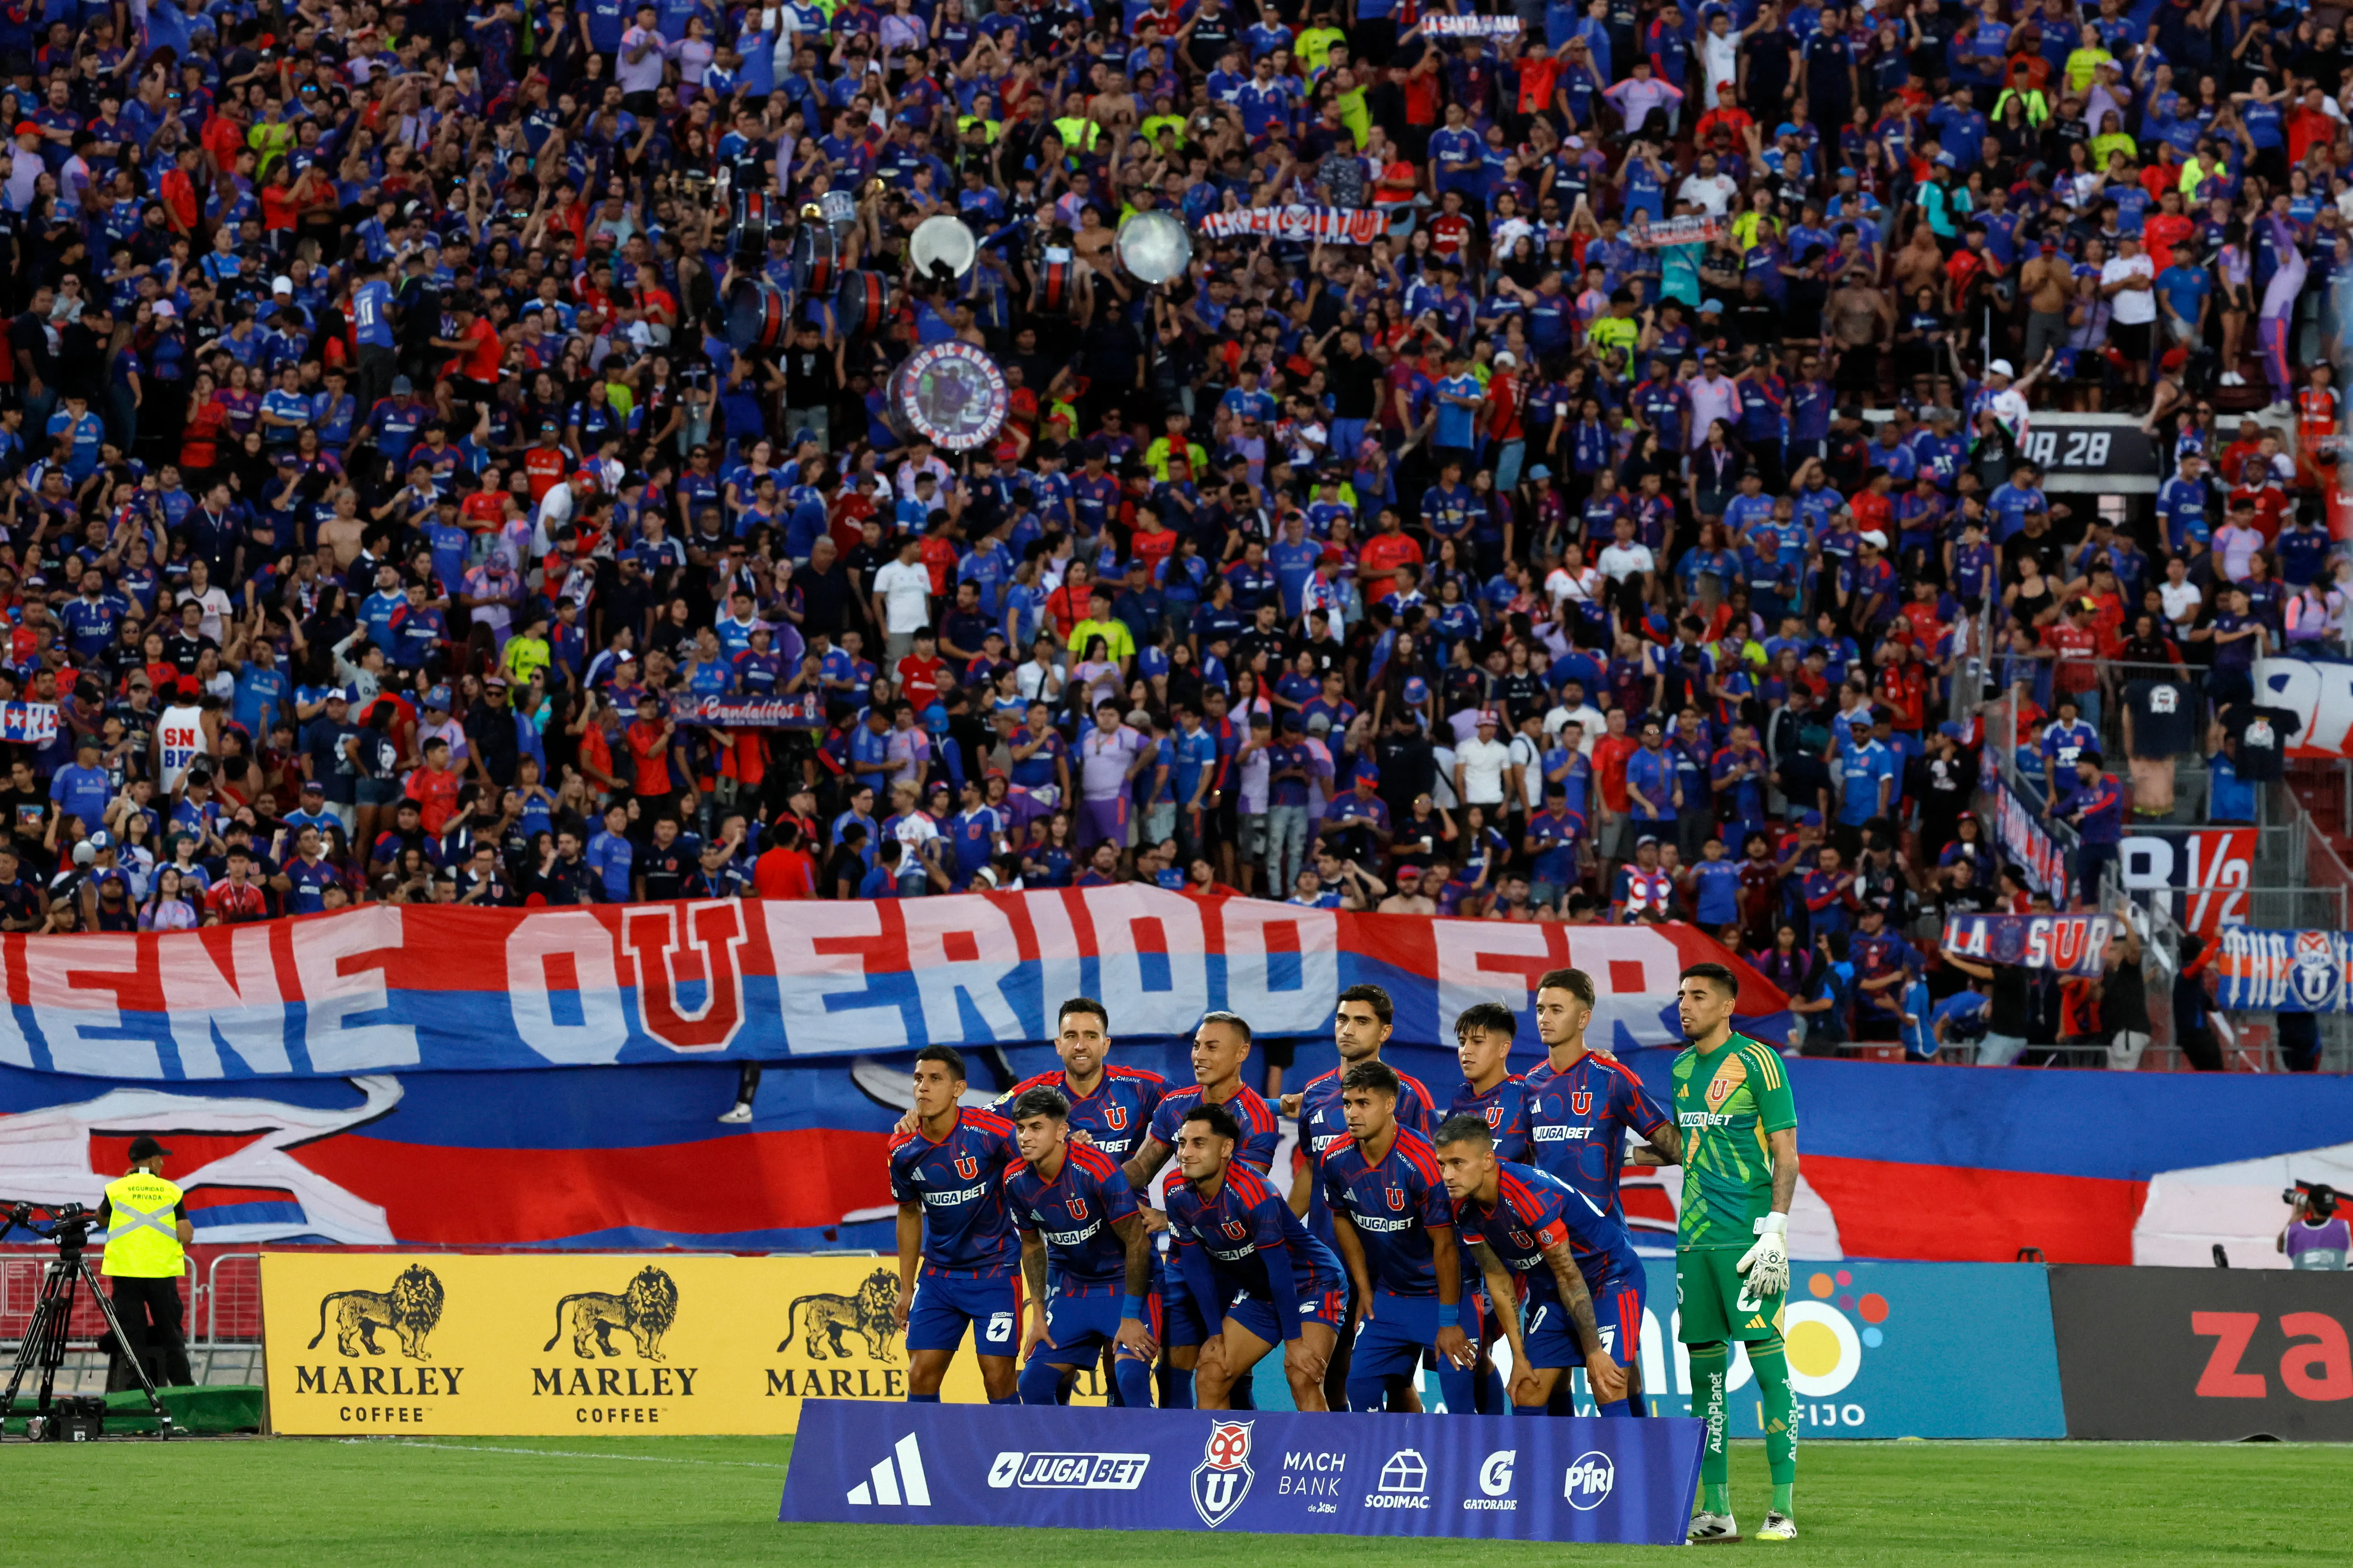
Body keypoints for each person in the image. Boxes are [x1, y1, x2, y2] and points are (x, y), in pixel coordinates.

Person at [1642, 962, 1801, 1544]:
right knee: (1703, 1378)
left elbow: (1785, 1151)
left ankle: (1781, 1508)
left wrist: (1776, 1229)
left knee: (1768, 1370)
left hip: (1747, 1241)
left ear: (1727, 1005)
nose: (1684, 1004)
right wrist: (1615, 1151)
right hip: (1694, 1242)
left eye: (1698, 996)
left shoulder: (1757, 1061)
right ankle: (1716, 1511)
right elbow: (1689, 1145)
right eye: (1681, 994)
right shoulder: (1682, 1067)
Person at [1525, 967, 1677, 1414]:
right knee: (1545, 1384)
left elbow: (1675, 1148)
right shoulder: (1526, 1088)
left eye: (1556, 1009)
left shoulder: (1612, 1079)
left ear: (1584, 1016)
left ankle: (1643, 1459)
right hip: (1550, 1259)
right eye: (1539, 1009)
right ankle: (1554, 1475)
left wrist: (1627, 1156)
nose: (1545, 1018)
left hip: (1604, 1255)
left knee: (1613, 1376)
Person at [1433, 1113, 1631, 1413]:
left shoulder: (1530, 1194)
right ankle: (1554, 1460)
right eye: (1442, 1165)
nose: (1447, 1175)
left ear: (1488, 1160)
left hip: (1609, 1278)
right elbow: (1498, 1279)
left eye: (1457, 1164)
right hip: (1551, 1287)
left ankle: (1643, 1459)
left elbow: (1570, 1275)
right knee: (1526, 1394)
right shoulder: (1462, 1206)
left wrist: (1594, 1351)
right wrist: (1519, 1358)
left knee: (1606, 1384)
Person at [1164, 1099, 1346, 1411]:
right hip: (1262, 1293)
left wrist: (1294, 1343)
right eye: (1182, 1143)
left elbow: (1280, 1271)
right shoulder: (1175, 1191)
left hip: (1314, 1282)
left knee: (1301, 1374)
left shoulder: (1254, 1193)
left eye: (1198, 1143)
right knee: (1211, 1374)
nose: (1185, 1153)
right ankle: (1220, 1461)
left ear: (1226, 1149)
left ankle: (1322, 1456)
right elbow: (1196, 1266)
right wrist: (1215, 1333)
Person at [1317, 1058, 1475, 1414]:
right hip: (1390, 1296)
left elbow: (1446, 1247)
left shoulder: (1421, 1163)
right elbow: (1341, 1218)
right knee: (1359, 1386)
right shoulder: (1335, 1158)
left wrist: (1448, 1321)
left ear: (1390, 1105)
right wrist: (1364, 1287)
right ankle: (1382, 1465)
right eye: (1347, 1104)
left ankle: (1489, 1456)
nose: (1352, 1113)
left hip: (1444, 1293)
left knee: (1460, 1387)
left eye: (1363, 1103)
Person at [1003, 1085, 1158, 1407]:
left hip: (1124, 1286)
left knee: (1130, 1378)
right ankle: (1061, 1454)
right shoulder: (1014, 1179)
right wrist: (1039, 1317)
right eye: (1020, 1128)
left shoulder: (1097, 1169)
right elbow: (1032, 1246)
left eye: (1036, 1127)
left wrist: (1130, 1317)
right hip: (1075, 1290)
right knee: (1032, 1385)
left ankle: (1156, 1455)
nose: (1025, 1137)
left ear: (1062, 1131)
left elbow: (1137, 1241)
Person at [888, 1046, 1020, 1403]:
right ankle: (926, 1459)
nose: (923, 1088)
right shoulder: (902, 1147)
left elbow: (1039, 1160)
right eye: (918, 1079)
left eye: (935, 1079)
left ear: (959, 1089)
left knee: (998, 1379)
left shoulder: (990, 1132)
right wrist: (905, 1288)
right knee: (920, 1374)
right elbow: (909, 1212)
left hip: (995, 1271)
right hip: (939, 1277)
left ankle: (1013, 1454)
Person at [96, 1134, 195, 1388]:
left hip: (126, 1273)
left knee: (132, 1335)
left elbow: (101, 1220)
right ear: (151, 1161)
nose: (162, 1163)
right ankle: (183, 1389)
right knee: (171, 1334)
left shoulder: (117, 1189)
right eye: (160, 1158)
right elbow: (186, 1235)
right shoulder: (171, 1191)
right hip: (161, 1273)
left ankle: (138, 1395)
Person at [2278, 1185, 2349, 1271]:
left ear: (2311, 1205)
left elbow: (2280, 1248)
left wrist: (2295, 1218)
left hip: (2304, 1283)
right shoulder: (2343, 1227)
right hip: (2337, 1283)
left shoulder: (2294, 1230)